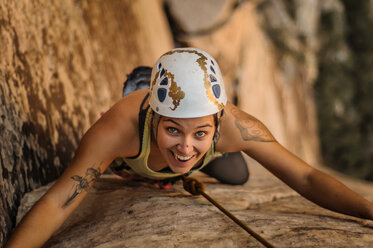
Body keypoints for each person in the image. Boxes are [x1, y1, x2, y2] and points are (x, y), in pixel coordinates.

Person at [6, 47, 373, 247]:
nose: (184, 147)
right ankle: (139, 80)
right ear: (153, 119)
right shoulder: (120, 127)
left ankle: (196, 151)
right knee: (144, 112)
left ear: (218, 123)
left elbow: (306, 177)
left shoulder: (237, 127)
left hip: (212, 150)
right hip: (136, 131)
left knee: (237, 175)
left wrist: (369, 211)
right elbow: (58, 201)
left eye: (200, 132)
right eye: (172, 130)